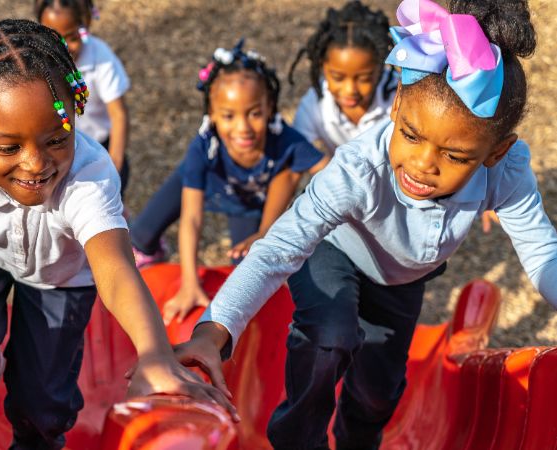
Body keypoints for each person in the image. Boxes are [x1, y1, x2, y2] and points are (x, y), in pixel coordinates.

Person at [175, 1, 557, 449]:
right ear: (396, 106)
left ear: (495, 151)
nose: (422, 165)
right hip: (334, 252)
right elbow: (279, 249)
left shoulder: (505, 170)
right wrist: (214, 329)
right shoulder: (359, 170)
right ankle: (298, 440)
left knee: (378, 392)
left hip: (400, 279)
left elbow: (541, 252)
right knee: (330, 336)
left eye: (454, 157)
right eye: (411, 136)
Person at [0, 19, 234, 450]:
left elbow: (113, 268)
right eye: (8, 147)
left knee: (44, 404)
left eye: (58, 138)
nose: (36, 163)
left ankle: (34, 441)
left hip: (60, 273)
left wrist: (154, 352)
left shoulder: (87, 176)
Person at [129, 39, 327, 324]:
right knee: (140, 235)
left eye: (255, 113)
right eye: (228, 116)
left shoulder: (285, 139)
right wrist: (189, 283)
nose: (243, 127)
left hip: (246, 205)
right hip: (206, 183)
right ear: (212, 114)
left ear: (271, 107)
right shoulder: (203, 146)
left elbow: (330, 173)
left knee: (245, 271)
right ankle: (154, 248)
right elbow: (192, 219)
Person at [36, 0, 131, 196]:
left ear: (85, 25)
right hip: (55, 149)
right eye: (54, 38)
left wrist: (114, 170)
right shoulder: (36, 60)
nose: (63, 47)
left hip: (99, 150)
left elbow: (118, 115)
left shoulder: (100, 57)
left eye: (72, 37)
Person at [289, 0, 397, 163]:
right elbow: (295, 151)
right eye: (338, 77)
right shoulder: (314, 105)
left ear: (380, 68)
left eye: (364, 78)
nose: (350, 89)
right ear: (322, 67)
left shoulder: (400, 98)